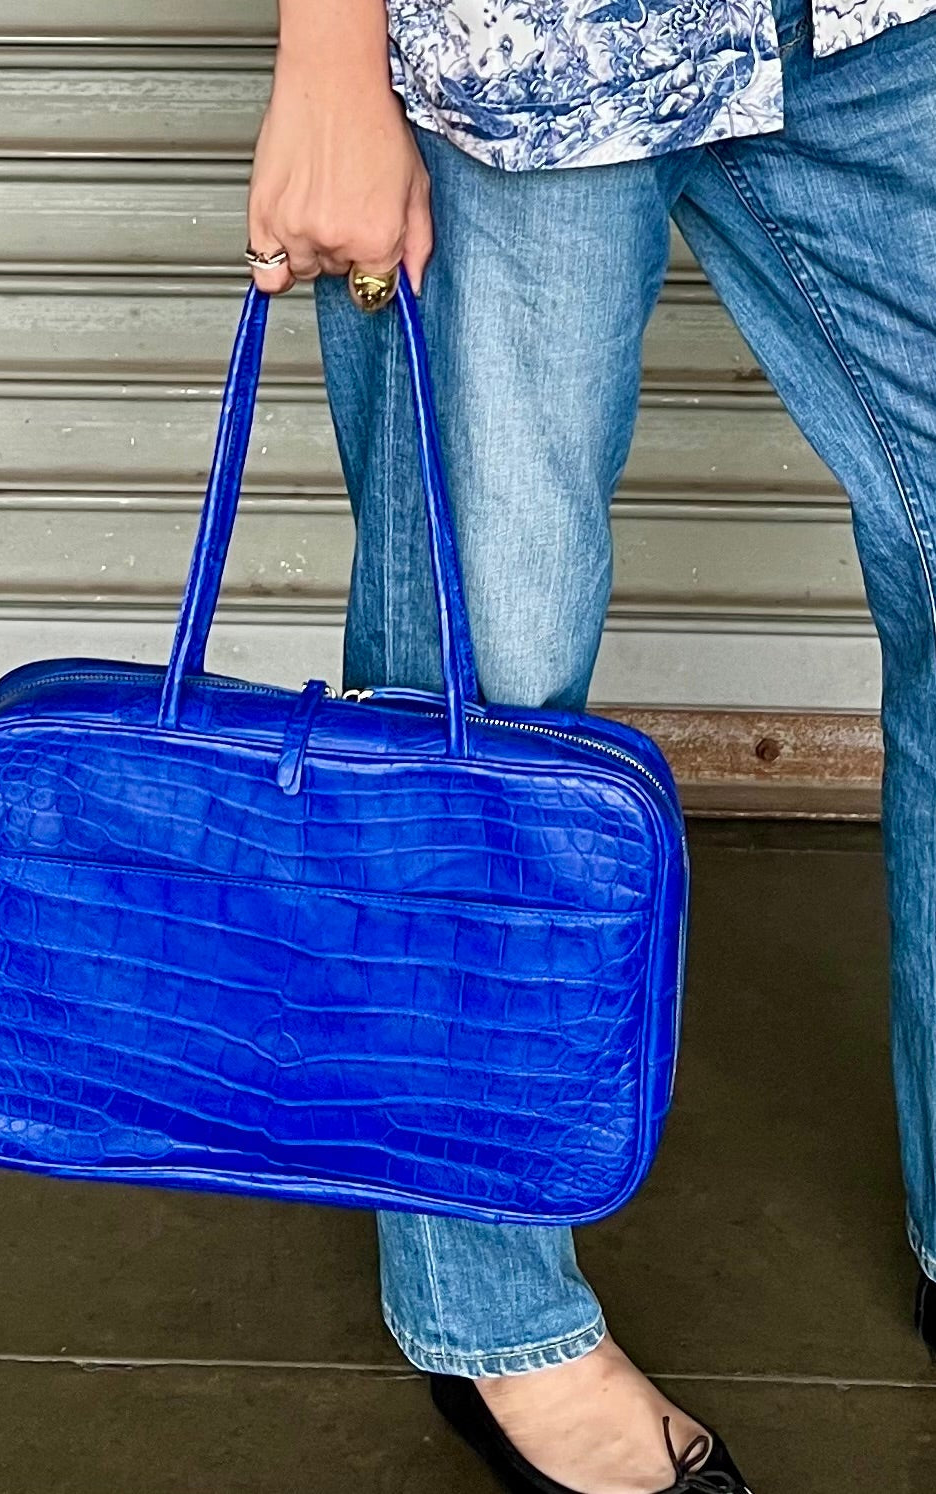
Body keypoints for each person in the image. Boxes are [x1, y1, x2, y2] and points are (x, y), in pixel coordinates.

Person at [245, 0, 936, 1488]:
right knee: (480, 679)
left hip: (881, 29)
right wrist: (328, 53)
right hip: (524, 43)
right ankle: (492, 1312)